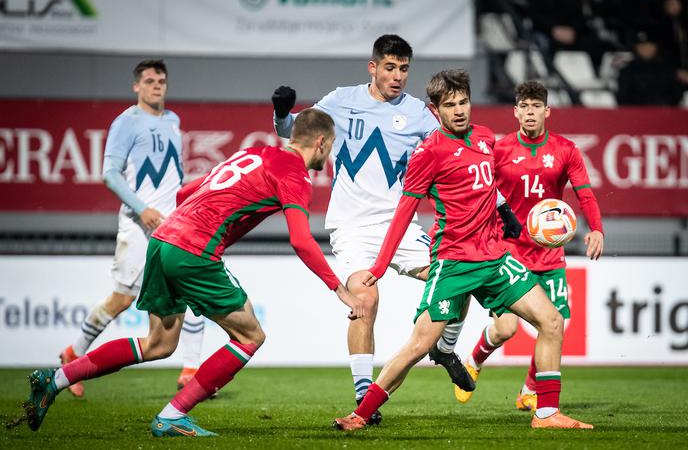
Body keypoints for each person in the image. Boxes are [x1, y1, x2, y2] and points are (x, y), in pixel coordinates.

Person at [23, 108, 364, 437]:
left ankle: (55, 380)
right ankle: (172, 416)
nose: (328, 155)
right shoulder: (294, 172)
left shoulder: (254, 154)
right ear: (320, 142)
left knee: (157, 344)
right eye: (330, 147)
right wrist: (339, 289)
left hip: (162, 242)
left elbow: (186, 192)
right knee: (250, 337)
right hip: (193, 250)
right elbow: (302, 240)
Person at [272, 35, 518, 420]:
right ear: (373, 68)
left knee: (458, 276)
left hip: (399, 226)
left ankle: (445, 348)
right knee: (365, 300)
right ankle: (362, 398)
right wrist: (281, 113)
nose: (397, 76)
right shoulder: (341, 100)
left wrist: (501, 207)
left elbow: (464, 157)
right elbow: (295, 134)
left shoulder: (421, 114)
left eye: (404, 69)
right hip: (351, 227)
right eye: (390, 67)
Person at [333, 69, 593, 431]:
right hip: (453, 262)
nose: (459, 111)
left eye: (464, 102)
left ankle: (547, 414)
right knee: (420, 344)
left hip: (496, 258)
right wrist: (379, 265)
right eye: (450, 105)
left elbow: (491, 188)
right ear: (435, 110)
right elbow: (404, 213)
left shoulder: (485, 138)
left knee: (551, 321)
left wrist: (506, 214)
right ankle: (361, 413)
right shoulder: (428, 153)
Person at [58, 59, 206, 397]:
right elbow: (110, 174)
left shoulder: (173, 120)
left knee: (190, 290)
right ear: (136, 86)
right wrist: (143, 209)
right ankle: (72, 354)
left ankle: (191, 369)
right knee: (121, 300)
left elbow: (173, 175)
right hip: (139, 225)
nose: (157, 85)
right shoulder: (125, 123)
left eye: (161, 80)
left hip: (173, 225)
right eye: (150, 80)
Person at [453, 80, 604, 411]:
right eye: (525, 106)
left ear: (547, 111)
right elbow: (481, 191)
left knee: (556, 324)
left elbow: (585, 193)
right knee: (506, 328)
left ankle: (529, 390)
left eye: (537, 106)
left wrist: (596, 228)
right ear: (516, 112)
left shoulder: (566, 150)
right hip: (509, 251)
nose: (531, 112)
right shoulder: (500, 150)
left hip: (549, 255)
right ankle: (474, 361)